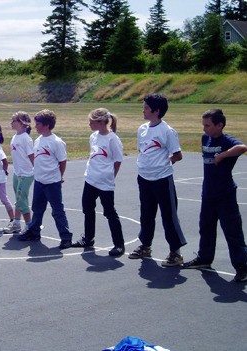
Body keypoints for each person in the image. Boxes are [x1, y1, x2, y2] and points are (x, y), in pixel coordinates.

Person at [183, 109, 247, 282]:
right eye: (203, 125)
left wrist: (224, 155)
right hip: (208, 193)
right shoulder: (205, 139)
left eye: (208, 125)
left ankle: (243, 267)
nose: (204, 129)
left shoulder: (227, 141)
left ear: (220, 125)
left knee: (232, 232)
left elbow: (242, 147)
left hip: (225, 194)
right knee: (206, 227)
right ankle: (204, 258)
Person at [128, 93, 186, 266]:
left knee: (168, 215)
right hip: (144, 178)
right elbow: (143, 151)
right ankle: (145, 246)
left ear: (156, 111)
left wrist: (164, 164)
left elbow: (178, 154)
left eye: (146, 108)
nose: (143, 110)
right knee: (146, 213)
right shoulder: (142, 129)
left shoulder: (167, 131)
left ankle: (175, 253)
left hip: (162, 179)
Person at [71, 108, 125, 256]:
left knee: (109, 212)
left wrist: (110, 177)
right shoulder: (93, 136)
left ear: (101, 122)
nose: (89, 124)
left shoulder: (113, 139)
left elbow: (118, 161)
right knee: (87, 208)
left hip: (105, 182)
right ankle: (88, 238)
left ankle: (119, 244)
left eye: (91, 122)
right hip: (90, 179)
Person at [17, 109, 73, 249]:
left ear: (47, 125)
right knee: (37, 208)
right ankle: (34, 232)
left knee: (57, 210)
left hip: (52, 182)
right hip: (39, 181)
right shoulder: (38, 140)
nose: (35, 127)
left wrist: (60, 176)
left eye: (38, 124)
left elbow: (62, 161)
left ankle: (66, 237)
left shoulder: (57, 142)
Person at [3, 111, 34, 234]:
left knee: (22, 201)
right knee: (18, 199)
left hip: (26, 175)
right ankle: (16, 223)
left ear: (22, 123)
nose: (11, 123)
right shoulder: (15, 137)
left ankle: (29, 226)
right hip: (18, 173)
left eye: (13, 120)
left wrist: (37, 172)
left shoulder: (26, 139)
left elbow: (32, 157)